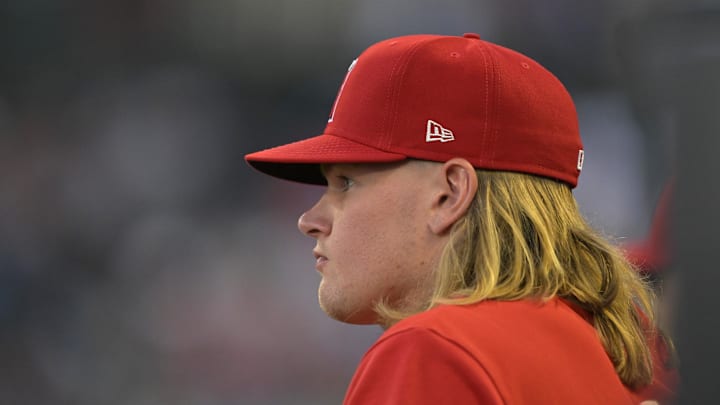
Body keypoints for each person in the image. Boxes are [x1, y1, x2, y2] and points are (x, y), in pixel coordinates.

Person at [245, 33, 677, 404]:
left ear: (449, 194)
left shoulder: (435, 350)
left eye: (346, 183)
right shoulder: (606, 347)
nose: (310, 219)